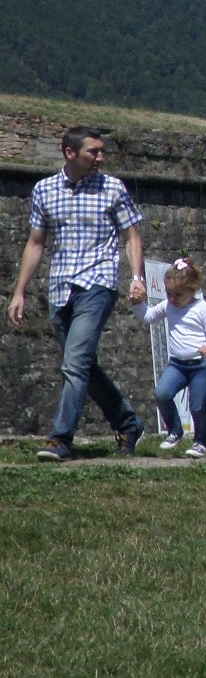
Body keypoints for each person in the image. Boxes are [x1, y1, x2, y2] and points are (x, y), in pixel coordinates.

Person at [8, 126, 149, 463]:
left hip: (98, 284)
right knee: (82, 364)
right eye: (93, 152)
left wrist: (136, 277)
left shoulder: (112, 188)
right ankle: (128, 423)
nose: (100, 157)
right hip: (60, 288)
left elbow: (131, 236)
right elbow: (36, 242)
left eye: (102, 151)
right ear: (70, 153)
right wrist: (19, 292)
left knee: (74, 363)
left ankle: (60, 439)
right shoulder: (44, 190)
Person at [140, 258, 206, 459]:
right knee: (162, 394)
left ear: (192, 291)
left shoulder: (202, 308)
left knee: (198, 406)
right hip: (177, 364)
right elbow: (148, 317)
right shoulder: (168, 306)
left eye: (178, 294)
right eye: (168, 294)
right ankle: (175, 430)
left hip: (201, 365)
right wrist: (137, 304)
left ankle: (202, 443)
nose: (172, 298)